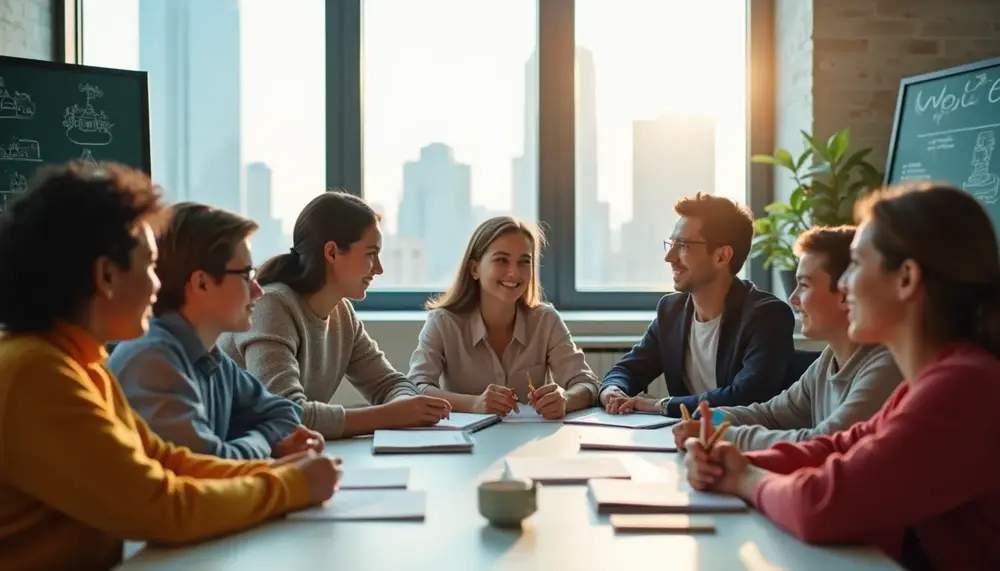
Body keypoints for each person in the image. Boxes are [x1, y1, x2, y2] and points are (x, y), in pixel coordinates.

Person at [0, 163, 340, 570]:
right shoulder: (36, 375)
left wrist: (275, 468)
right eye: (149, 266)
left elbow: (167, 460)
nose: (158, 284)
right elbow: (164, 508)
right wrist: (289, 484)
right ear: (107, 275)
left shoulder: (81, 363)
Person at [684, 184, 1000, 570]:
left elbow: (822, 503)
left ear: (905, 279)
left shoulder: (964, 388)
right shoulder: (926, 385)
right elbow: (836, 447)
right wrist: (732, 460)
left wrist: (744, 478)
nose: (844, 284)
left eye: (855, 263)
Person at [220, 191, 452, 439]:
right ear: (331, 252)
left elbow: (390, 384)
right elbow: (286, 415)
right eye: (370, 254)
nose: (379, 268)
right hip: (232, 460)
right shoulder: (270, 306)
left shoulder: (342, 314)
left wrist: (406, 407)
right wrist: (392, 415)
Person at [109, 202, 324, 460]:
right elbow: (209, 464)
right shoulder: (153, 362)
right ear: (202, 283)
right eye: (246, 275)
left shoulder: (211, 358)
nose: (258, 291)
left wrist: (253, 440)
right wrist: (266, 442)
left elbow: (286, 414)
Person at [672, 226, 902, 451]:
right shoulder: (828, 360)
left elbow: (822, 443)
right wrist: (712, 418)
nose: (793, 298)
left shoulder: (887, 366)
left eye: (804, 285)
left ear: (845, 292)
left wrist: (722, 435)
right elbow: (768, 414)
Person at [599, 192, 795, 417]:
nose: (669, 257)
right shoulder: (671, 310)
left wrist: (660, 405)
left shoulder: (767, 316)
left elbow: (746, 396)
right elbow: (628, 370)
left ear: (722, 256)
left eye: (682, 245)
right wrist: (613, 390)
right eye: (671, 243)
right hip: (686, 441)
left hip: (745, 442)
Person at [407, 217, 599, 418]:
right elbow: (416, 387)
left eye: (524, 262)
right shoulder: (443, 322)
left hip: (529, 444)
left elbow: (588, 384)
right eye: (501, 260)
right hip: (467, 443)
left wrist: (566, 399)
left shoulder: (546, 320)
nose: (514, 273)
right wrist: (473, 404)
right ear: (474, 269)